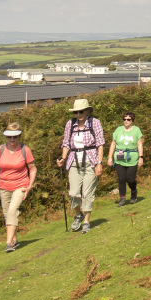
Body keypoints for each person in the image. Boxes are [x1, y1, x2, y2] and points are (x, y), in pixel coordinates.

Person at [0, 122, 37, 253]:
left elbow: (33, 169)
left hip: (21, 185)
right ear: (6, 137)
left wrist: (30, 186)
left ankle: (8, 243)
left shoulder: (25, 150)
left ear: (19, 136)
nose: (12, 139)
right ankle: (14, 240)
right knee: (7, 214)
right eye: (9, 137)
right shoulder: (0, 150)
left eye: (15, 137)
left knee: (13, 210)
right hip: (3, 186)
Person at [57, 99, 105, 234]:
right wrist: (62, 158)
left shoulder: (94, 123)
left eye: (81, 111)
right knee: (73, 193)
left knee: (87, 193)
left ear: (88, 111)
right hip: (73, 161)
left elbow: (100, 144)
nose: (78, 114)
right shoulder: (70, 124)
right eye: (76, 112)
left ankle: (86, 221)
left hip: (91, 160)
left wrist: (99, 163)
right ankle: (78, 214)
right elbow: (66, 143)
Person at [107, 111, 143, 206]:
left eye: (128, 119)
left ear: (132, 120)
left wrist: (140, 157)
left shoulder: (136, 130)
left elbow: (139, 144)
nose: (126, 121)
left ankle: (134, 191)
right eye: (124, 119)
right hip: (119, 158)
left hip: (132, 158)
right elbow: (113, 144)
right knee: (121, 179)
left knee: (130, 179)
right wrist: (110, 157)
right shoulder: (118, 130)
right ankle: (122, 199)